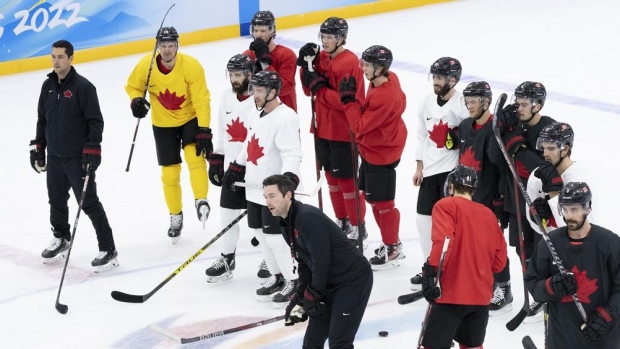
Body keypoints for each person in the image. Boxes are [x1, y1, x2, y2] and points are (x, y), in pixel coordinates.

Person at [33, 40, 118, 272]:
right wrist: (39, 146)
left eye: (61, 57)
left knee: (89, 202)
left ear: (71, 58)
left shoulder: (83, 87)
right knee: (56, 201)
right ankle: (61, 238)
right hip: (55, 157)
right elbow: (43, 119)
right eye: (53, 56)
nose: (56, 61)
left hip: (77, 158)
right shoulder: (47, 86)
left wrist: (92, 150)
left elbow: (95, 121)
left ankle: (108, 248)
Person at [263, 174, 372, 349]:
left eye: (272, 196)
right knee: (312, 342)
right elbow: (305, 263)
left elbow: (321, 260)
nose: (268, 202)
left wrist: (312, 295)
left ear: (288, 195)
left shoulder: (307, 217)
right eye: (266, 197)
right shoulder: (285, 222)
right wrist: (300, 298)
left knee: (339, 343)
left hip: (352, 280)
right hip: (327, 282)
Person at [221, 71, 301, 308]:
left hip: (274, 190)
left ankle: (293, 281)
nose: (253, 95)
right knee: (260, 234)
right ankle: (277, 277)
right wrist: (237, 165)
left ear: (272, 92)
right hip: (254, 187)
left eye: (258, 90)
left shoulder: (286, 117)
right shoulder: (259, 114)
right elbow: (250, 144)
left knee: (276, 238)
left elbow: (292, 151)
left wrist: (289, 178)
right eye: (253, 89)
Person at [125, 26, 212, 244]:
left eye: (170, 45)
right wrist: (135, 101)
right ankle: (175, 216)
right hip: (162, 124)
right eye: (162, 46)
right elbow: (132, 86)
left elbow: (202, 100)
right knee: (169, 174)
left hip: (189, 119)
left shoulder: (191, 66)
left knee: (195, 158)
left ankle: (201, 199)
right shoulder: (147, 65)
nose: (166, 50)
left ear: (177, 45)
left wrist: (204, 130)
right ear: (157, 47)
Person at [421, 165, 507, 349]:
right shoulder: (488, 214)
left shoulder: (445, 205)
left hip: (450, 295)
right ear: (473, 189)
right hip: (480, 299)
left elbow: (444, 241)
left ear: (450, 186)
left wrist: (431, 272)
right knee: (472, 346)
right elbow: (499, 263)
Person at [525, 182, 620, 349]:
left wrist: (607, 314)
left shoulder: (610, 243)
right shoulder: (549, 243)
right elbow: (533, 283)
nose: (568, 216)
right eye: (565, 209)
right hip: (562, 338)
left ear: (587, 208)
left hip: (602, 336)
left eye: (574, 209)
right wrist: (550, 287)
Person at [297, 17, 367, 243]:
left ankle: (358, 226)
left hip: (343, 131)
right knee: (330, 179)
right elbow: (310, 91)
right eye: (323, 36)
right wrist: (304, 67)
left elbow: (348, 102)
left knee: (347, 181)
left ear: (342, 38)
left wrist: (321, 88)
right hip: (321, 128)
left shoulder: (349, 63)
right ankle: (342, 220)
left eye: (330, 37)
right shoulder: (322, 59)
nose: (325, 41)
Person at [489, 81, 555, 321]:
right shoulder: (513, 125)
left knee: (542, 251)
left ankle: (545, 295)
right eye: (517, 103)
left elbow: (540, 169)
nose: (519, 108)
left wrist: (514, 141)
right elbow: (495, 158)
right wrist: (500, 130)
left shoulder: (549, 129)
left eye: (524, 104)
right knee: (522, 249)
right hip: (515, 198)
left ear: (538, 105)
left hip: (540, 203)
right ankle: (533, 294)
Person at [338, 45, 407, 270]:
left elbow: (359, 127)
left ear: (379, 68)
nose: (363, 69)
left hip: (382, 153)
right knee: (373, 198)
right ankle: (390, 243)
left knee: (384, 203)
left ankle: (392, 246)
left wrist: (349, 103)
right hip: (373, 149)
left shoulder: (385, 96)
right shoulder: (388, 78)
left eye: (367, 65)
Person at [204, 54, 262, 282]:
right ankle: (227, 258)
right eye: (231, 75)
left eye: (238, 75)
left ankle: (272, 259)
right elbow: (222, 130)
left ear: (250, 74)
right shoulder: (226, 96)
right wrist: (217, 158)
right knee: (227, 215)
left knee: (260, 222)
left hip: (255, 169)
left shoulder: (259, 99)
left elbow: (257, 139)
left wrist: (241, 163)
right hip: (231, 170)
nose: (234, 79)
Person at [455, 81, 512, 314]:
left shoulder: (495, 130)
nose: (469, 106)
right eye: (466, 101)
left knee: (493, 246)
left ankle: (504, 288)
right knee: (473, 246)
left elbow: (501, 168)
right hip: (466, 200)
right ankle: (483, 284)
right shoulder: (465, 125)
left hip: (488, 201)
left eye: (474, 101)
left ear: (486, 102)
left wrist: (499, 200)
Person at [410, 57, 468, 288]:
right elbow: (421, 135)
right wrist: (419, 166)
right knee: (423, 222)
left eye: (441, 77)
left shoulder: (462, 103)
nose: (436, 81)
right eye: (434, 76)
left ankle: (452, 267)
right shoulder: (426, 102)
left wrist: (457, 140)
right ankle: (430, 265)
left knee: (449, 226)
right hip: (430, 172)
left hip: (450, 173)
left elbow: (470, 135)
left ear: (453, 80)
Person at [526, 122, 597, 234]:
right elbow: (536, 226)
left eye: (551, 148)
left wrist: (554, 193)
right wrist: (538, 218)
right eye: (544, 148)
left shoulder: (580, 179)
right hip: (549, 245)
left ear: (565, 149)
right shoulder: (537, 175)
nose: (545, 154)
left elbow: (582, 231)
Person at [244, 10, 297, 112]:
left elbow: (285, 88)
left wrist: (265, 64)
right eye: (255, 30)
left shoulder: (287, 55)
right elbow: (244, 90)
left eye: (263, 31)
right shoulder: (247, 56)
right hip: (256, 116)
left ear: (272, 31)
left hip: (283, 116)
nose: (258, 35)